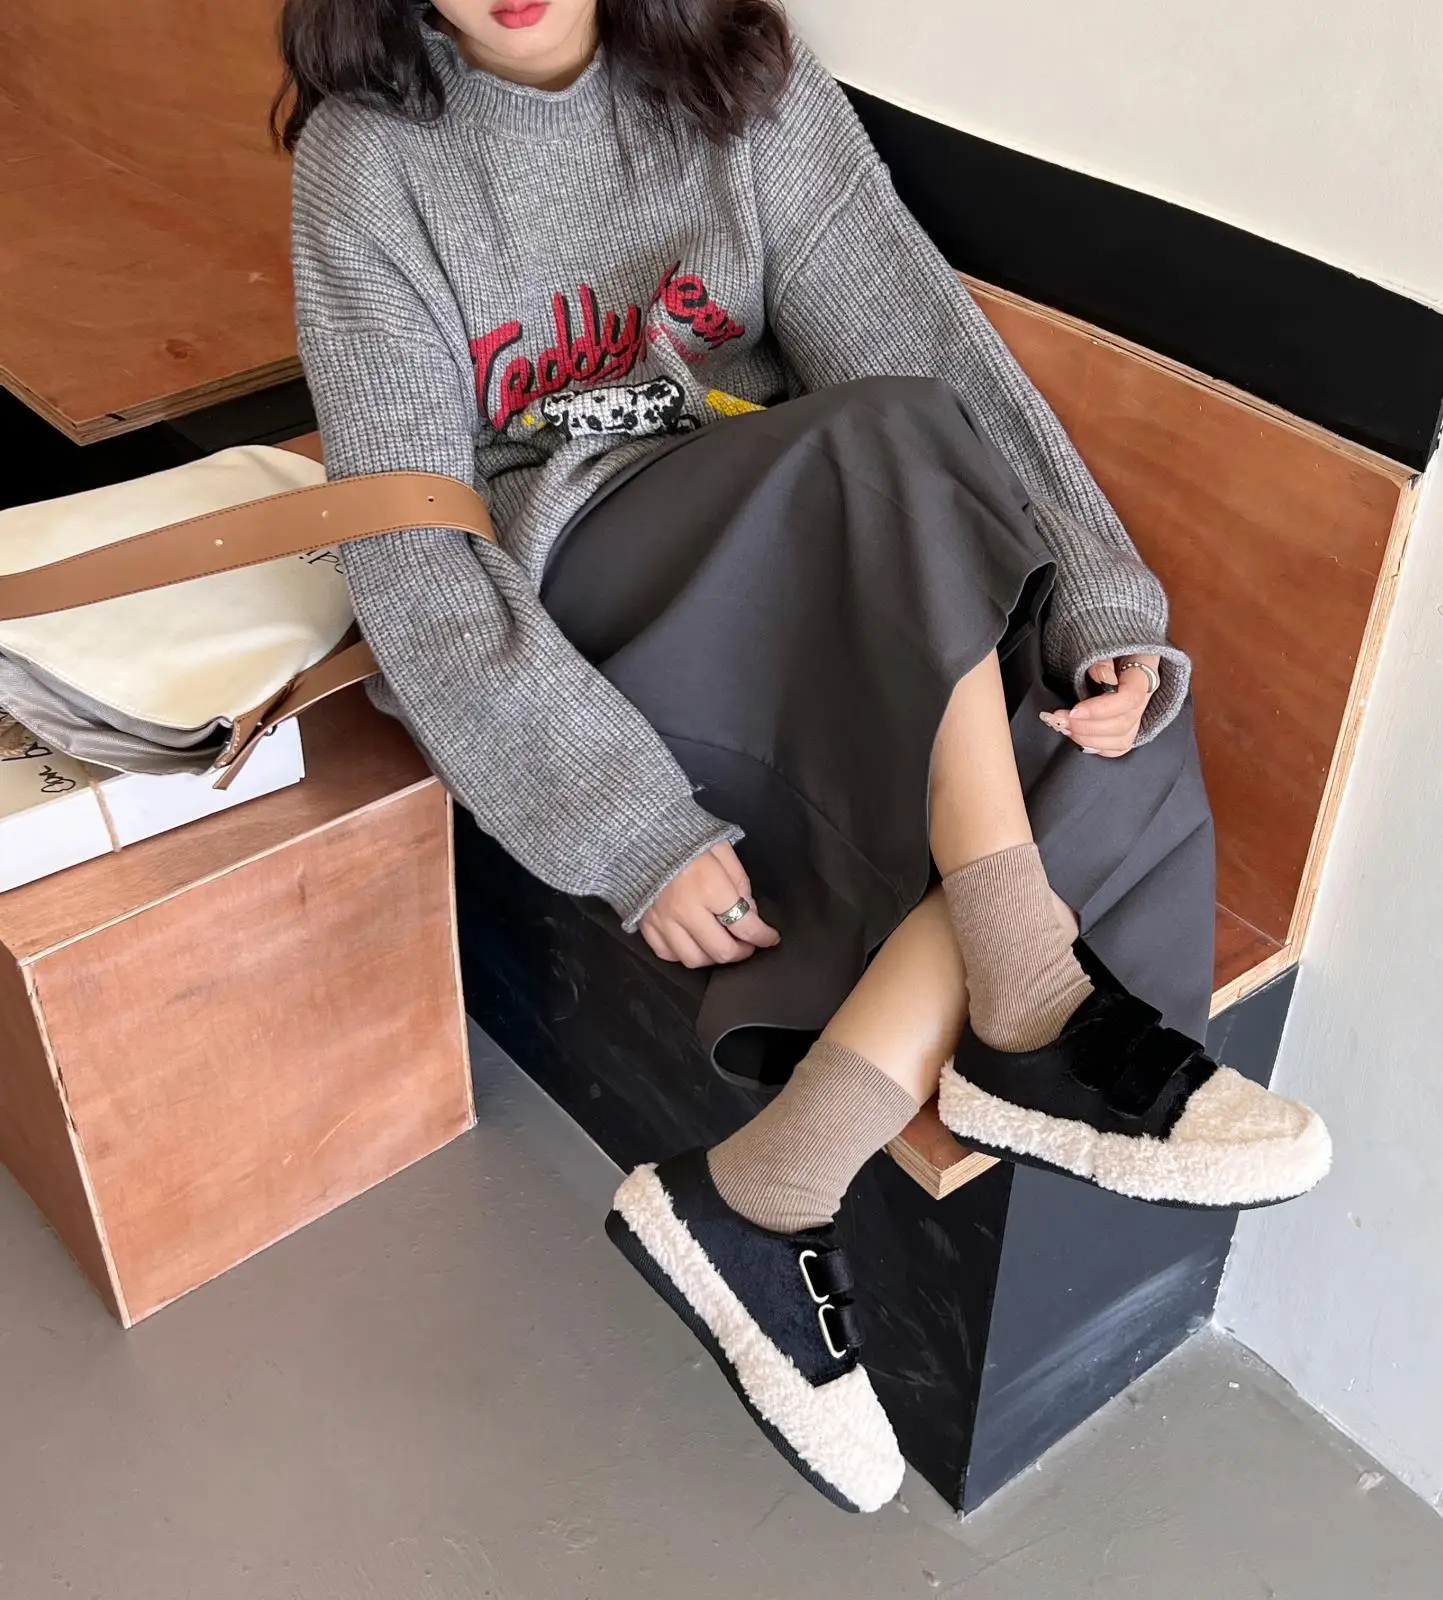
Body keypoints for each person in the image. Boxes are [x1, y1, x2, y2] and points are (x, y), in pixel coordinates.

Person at [278, 0, 1332, 1513]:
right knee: (885, 453)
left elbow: (919, 340)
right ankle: (1031, 1011)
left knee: (1093, 725)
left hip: (808, 562)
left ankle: (771, 1188)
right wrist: (621, 822)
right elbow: (408, 550)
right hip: (590, 587)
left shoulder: (738, 74)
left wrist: (1100, 604)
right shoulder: (368, 158)